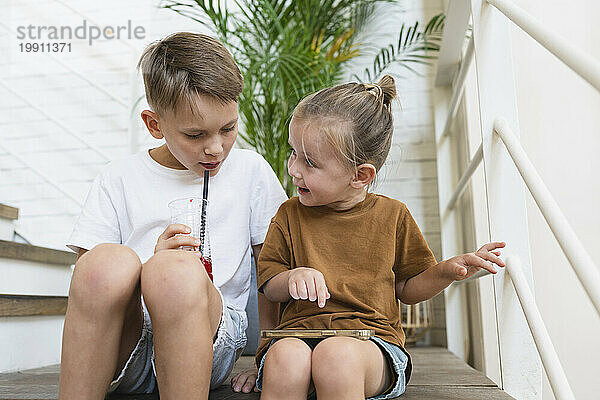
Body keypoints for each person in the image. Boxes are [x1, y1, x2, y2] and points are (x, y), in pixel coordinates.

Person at [58, 32, 287, 399]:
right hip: (126, 347)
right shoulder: (118, 177)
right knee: (105, 261)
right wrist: (149, 265)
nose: (216, 148)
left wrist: (270, 353)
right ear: (154, 125)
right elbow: (91, 288)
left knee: (175, 272)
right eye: (195, 135)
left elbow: (275, 268)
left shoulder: (251, 172)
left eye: (228, 128)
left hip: (209, 338)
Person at [255, 75, 506, 400]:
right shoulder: (288, 215)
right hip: (299, 335)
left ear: (360, 175)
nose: (293, 169)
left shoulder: (393, 216)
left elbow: (408, 288)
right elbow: (269, 284)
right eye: (294, 153)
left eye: (310, 163)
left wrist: (447, 270)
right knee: (285, 358)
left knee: (336, 357)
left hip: (371, 343)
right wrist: (291, 277)